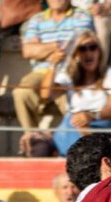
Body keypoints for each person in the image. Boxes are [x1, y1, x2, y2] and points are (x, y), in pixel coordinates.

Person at [14, 0, 95, 137]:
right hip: (42, 72)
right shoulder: (36, 19)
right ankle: (32, 137)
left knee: (68, 96)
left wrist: (42, 49)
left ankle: (84, 141)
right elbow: (27, 51)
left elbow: (77, 44)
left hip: (72, 69)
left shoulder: (82, 16)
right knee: (21, 92)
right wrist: (56, 45)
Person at [40, 29, 111, 156]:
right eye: (82, 49)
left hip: (101, 126)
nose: (88, 53)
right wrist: (53, 66)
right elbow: (45, 94)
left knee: (81, 128)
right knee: (35, 142)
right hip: (72, 125)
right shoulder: (69, 76)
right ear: (76, 54)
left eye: (92, 47)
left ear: (99, 52)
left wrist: (91, 116)